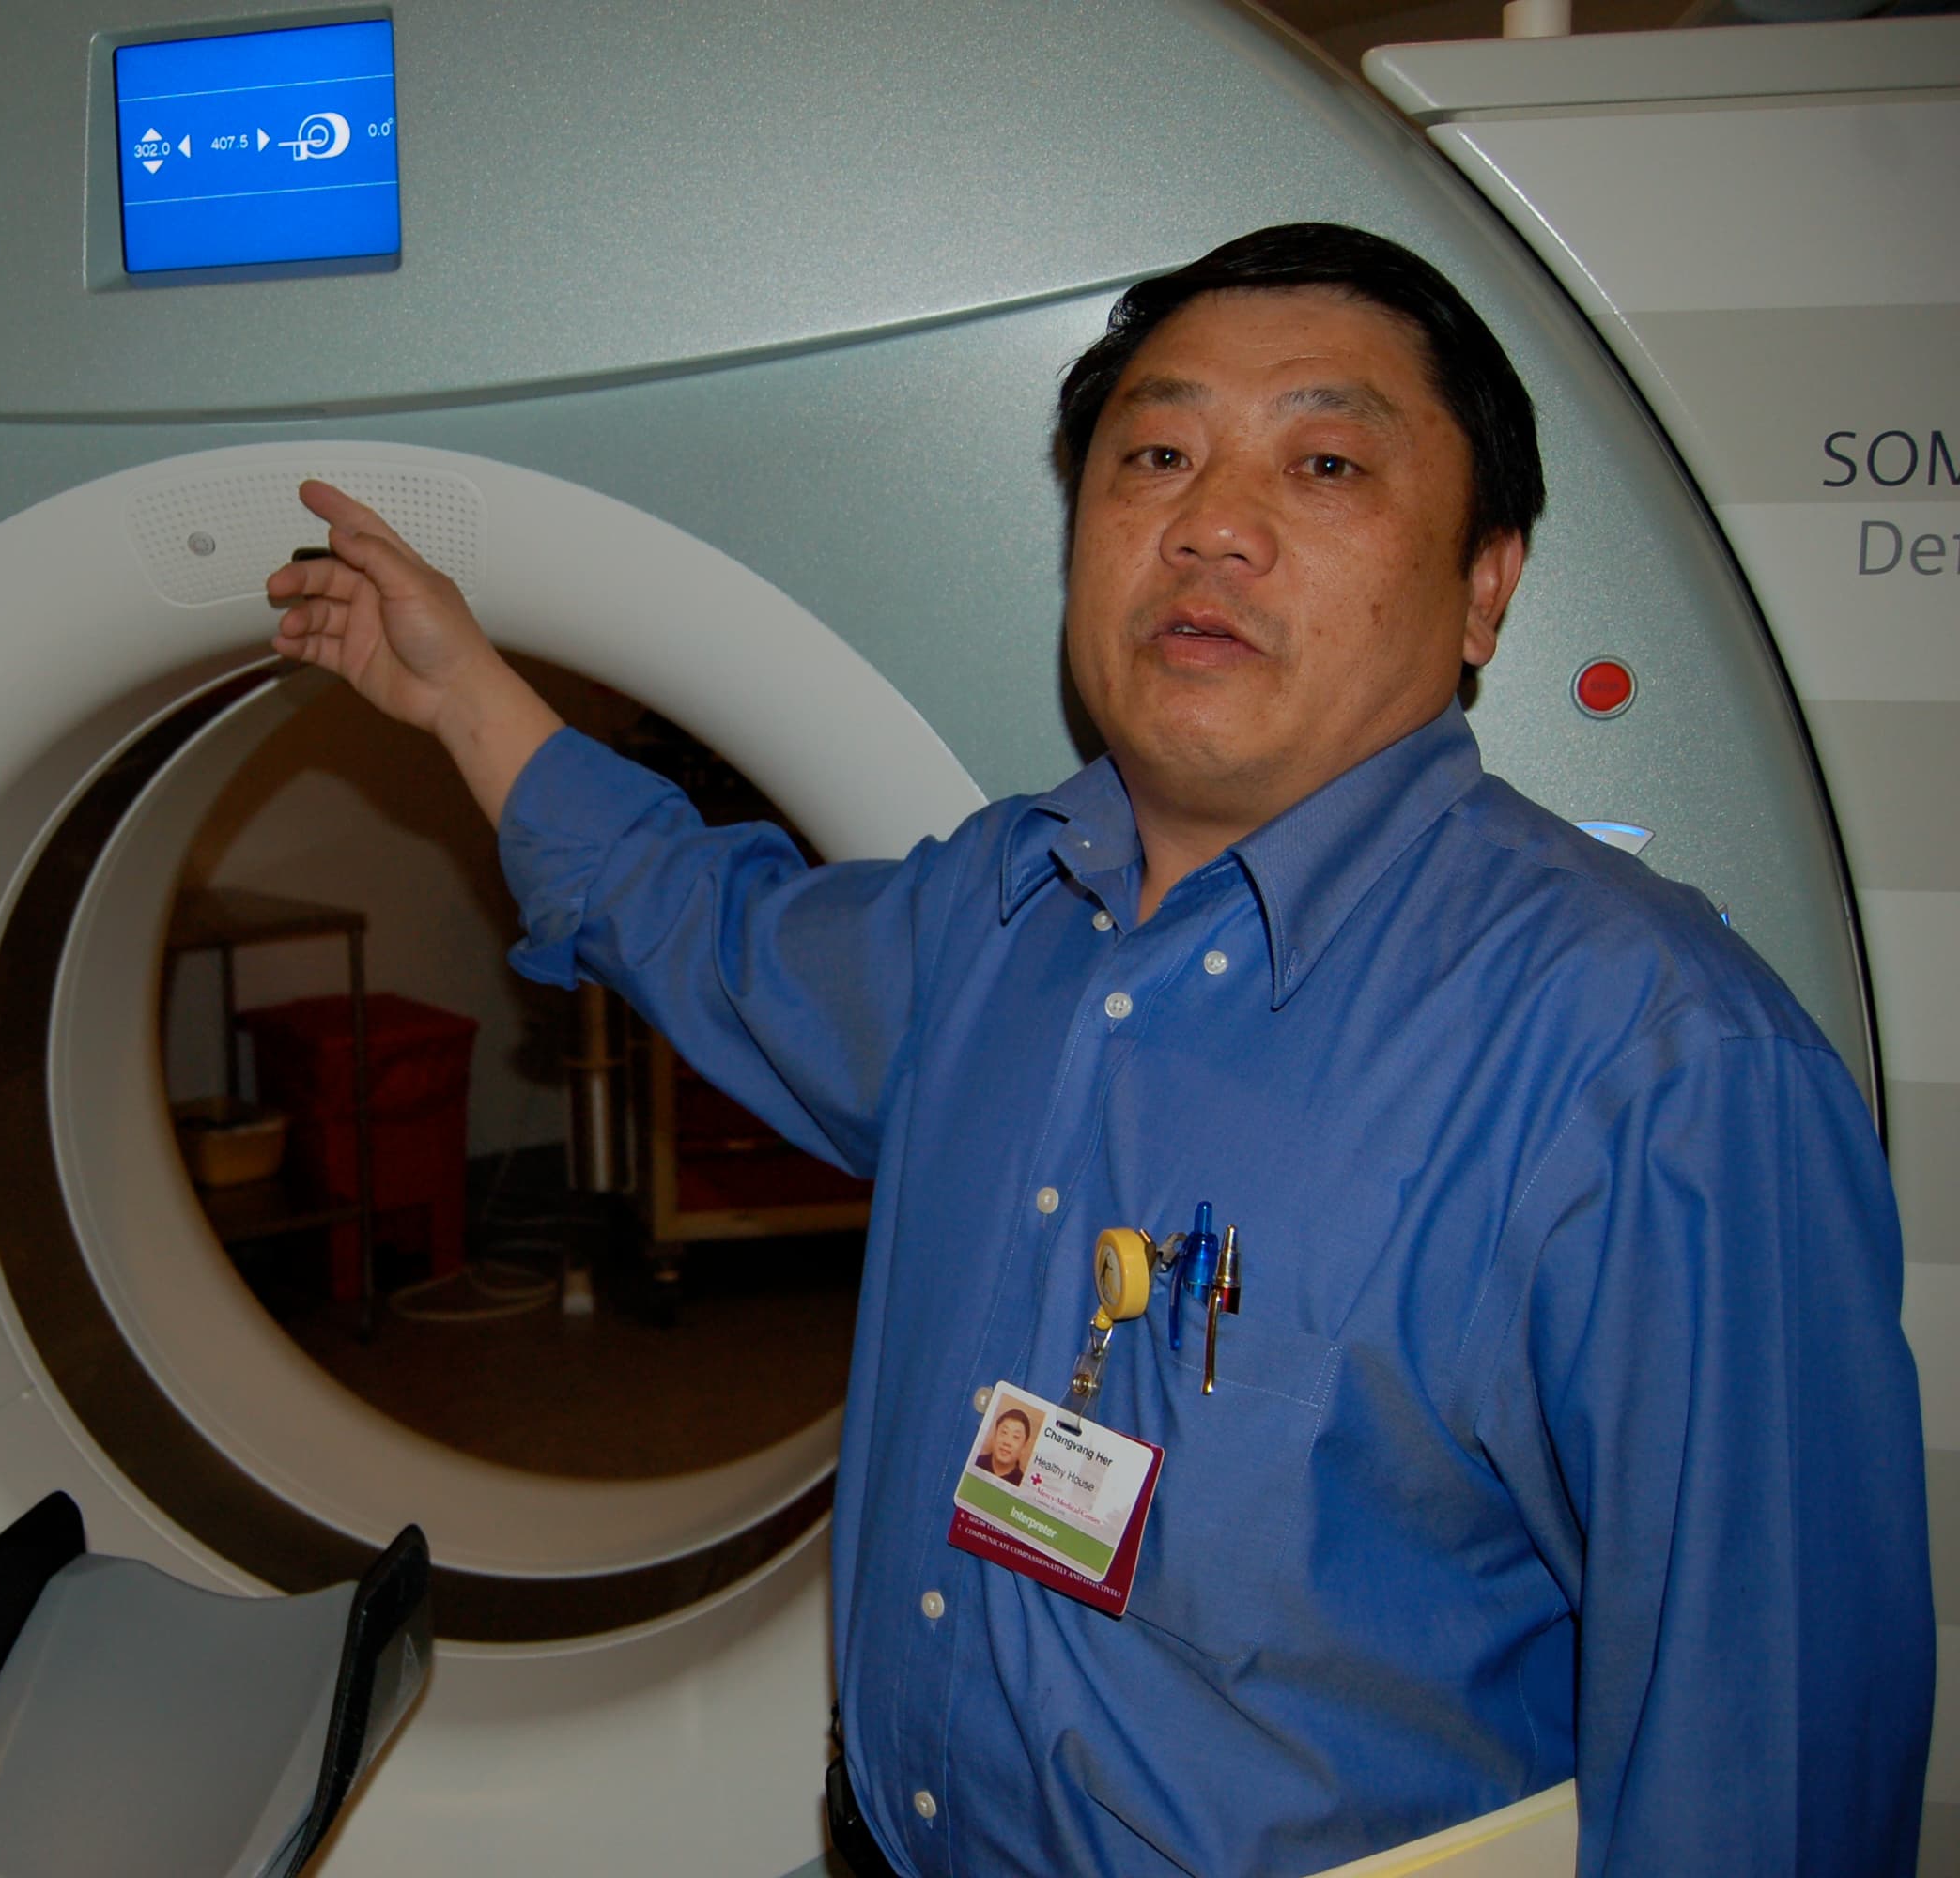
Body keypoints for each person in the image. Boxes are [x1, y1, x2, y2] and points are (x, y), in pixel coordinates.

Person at [261, 223, 1932, 1876]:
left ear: (1484, 584)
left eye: (1324, 464)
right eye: (1156, 456)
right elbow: (705, 925)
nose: (1209, 525)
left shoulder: (1650, 1070)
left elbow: (1762, 1778)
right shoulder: (994, 912)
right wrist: (462, 692)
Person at [976, 1406, 1039, 1483]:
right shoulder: (976, 1462)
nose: (1007, 1442)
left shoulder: (1022, 1482)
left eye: (1016, 1437)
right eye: (1004, 1432)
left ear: (1024, 1446)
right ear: (995, 1435)